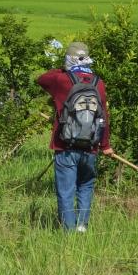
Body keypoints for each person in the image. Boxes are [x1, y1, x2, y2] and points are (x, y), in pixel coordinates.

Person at [37, 42, 114, 232]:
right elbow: (103, 116)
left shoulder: (61, 80)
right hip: (91, 146)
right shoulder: (99, 83)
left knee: (66, 190)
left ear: (68, 59)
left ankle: (69, 231)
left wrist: (62, 67)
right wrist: (105, 145)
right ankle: (82, 226)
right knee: (86, 186)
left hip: (65, 145)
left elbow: (42, 79)